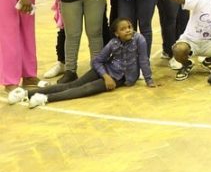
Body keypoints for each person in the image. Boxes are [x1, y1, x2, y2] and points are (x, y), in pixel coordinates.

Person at [7, 18, 156, 109]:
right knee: (73, 85)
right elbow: (97, 61)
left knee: (86, 89)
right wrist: (105, 75)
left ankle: (45, 99)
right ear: (116, 33)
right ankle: (26, 93)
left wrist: (149, 80)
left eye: (129, 27)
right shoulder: (113, 43)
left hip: (119, 78)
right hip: (104, 71)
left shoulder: (139, 40)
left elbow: (143, 60)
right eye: (123, 29)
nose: (128, 30)